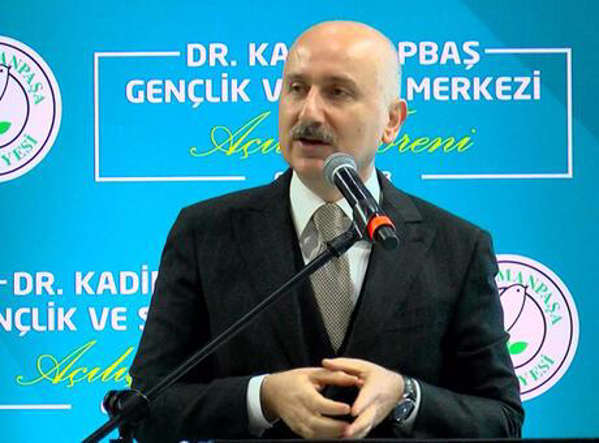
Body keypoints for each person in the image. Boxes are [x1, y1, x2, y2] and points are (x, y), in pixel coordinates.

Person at [130, 21, 524, 441]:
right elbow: (145, 409)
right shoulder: (205, 232)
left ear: (392, 121)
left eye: (337, 92)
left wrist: (405, 396)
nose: (308, 113)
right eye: (296, 89)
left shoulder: (457, 246)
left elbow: (502, 419)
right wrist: (262, 397)